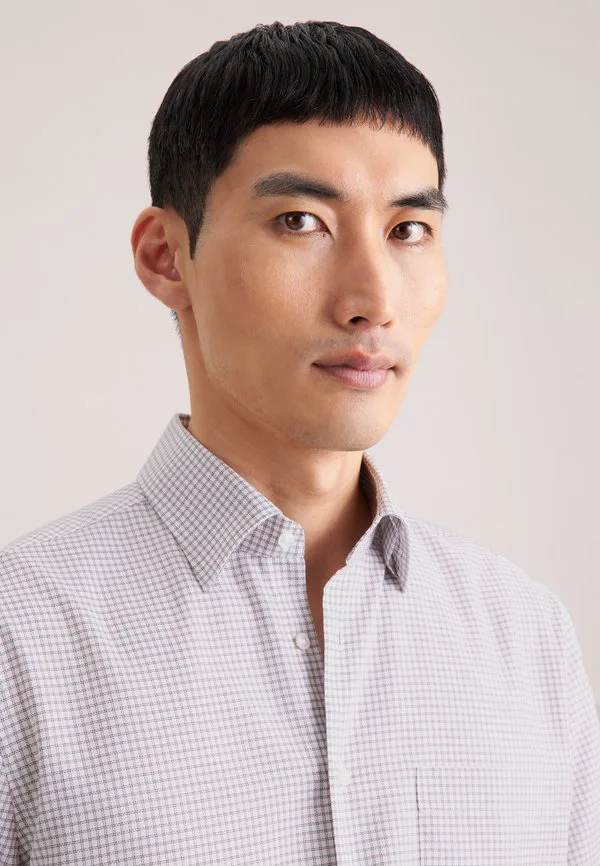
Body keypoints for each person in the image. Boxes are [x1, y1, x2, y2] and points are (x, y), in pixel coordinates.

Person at [1, 19, 598, 866]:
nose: (372, 301)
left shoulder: (525, 637)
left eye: (408, 230)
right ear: (167, 257)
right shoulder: (21, 643)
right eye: (301, 221)